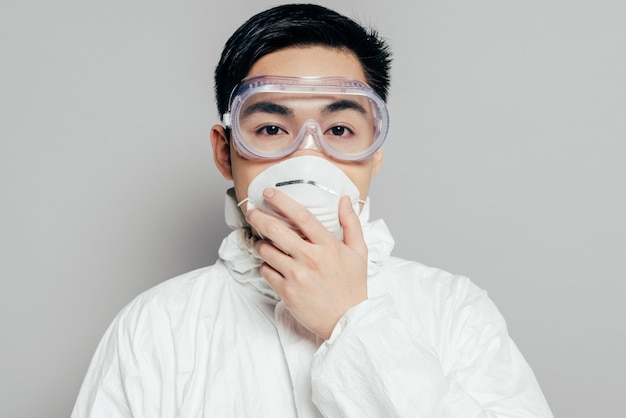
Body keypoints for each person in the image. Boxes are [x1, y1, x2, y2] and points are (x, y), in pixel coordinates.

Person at [72, 4, 553, 417]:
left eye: (340, 131)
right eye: (271, 129)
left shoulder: (452, 312)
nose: (307, 156)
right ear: (225, 152)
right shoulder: (156, 327)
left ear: (374, 153)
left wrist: (352, 322)